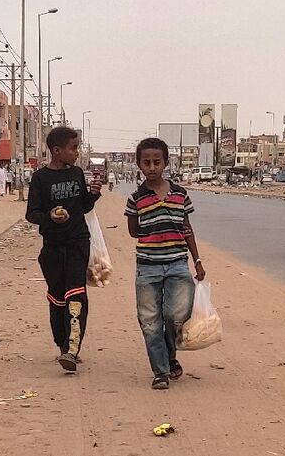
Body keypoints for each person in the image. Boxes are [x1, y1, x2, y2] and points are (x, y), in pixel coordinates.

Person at [126, 138, 206, 390]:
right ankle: (160, 371)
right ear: (139, 164)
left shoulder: (180, 194)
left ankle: (170, 356)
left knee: (175, 315)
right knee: (150, 320)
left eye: (156, 162)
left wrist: (197, 260)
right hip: (148, 266)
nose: (152, 167)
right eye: (146, 162)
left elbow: (187, 229)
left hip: (177, 265)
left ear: (166, 163)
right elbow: (134, 231)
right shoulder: (135, 198)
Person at [25, 126, 102, 372]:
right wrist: (51, 216)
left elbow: (83, 207)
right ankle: (61, 344)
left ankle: (72, 349)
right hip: (52, 248)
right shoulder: (40, 178)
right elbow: (32, 214)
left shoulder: (78, 173)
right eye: (73, 148)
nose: (77, 153)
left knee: (76, 295)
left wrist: (93, 195)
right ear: (57, 151)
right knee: (58, 298)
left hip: (78, 242)